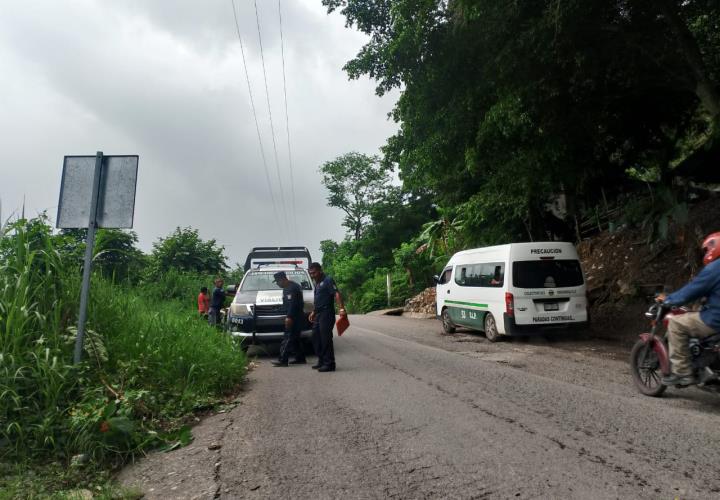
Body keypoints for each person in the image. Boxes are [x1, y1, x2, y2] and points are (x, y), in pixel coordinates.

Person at [657, 232, 720, 386]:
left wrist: (669, 300)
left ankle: (682, 373)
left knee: (676, 324)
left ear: (714, 247)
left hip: (715, 318)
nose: (706, 253)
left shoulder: (715, 268)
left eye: (706, 250)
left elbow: (692, 290)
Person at [308, 262, 346, 372]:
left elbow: (337, 294)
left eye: (314, 273)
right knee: (316, 337)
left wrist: (341, 309)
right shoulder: (317, 283)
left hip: (326, 313)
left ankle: (329, 364)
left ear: (320, 270)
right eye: (310, 273)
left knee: (325, 339)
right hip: (318, 314)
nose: (312, 275)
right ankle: (321, 360)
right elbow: (319, 299)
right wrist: (314, 312)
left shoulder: (328, 280)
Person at [271, 271, 307, 367]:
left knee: (287, 338)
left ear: (282, 279)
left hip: (294, 317)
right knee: (295, 339)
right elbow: (287, 304)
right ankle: (300, 358)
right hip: (296, 316)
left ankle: (283, 360)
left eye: (277, 282)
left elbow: (293, 304)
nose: (277, 284)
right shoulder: (290, 287)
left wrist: (289, 317)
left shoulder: (291, 288)